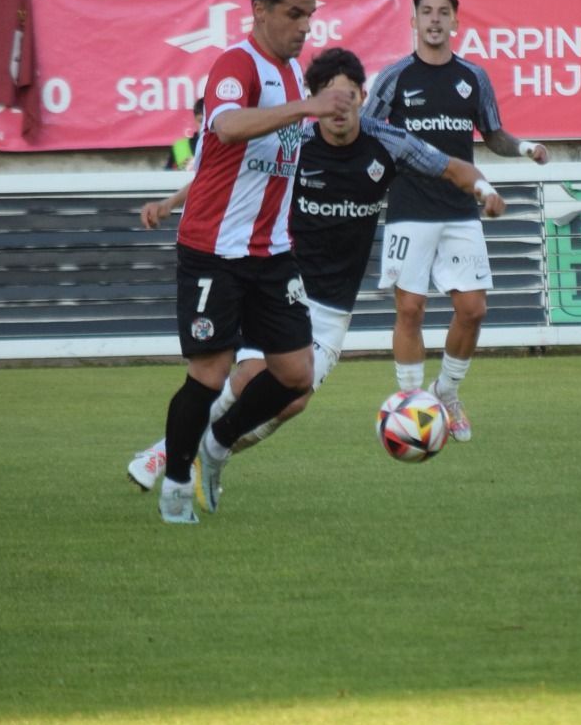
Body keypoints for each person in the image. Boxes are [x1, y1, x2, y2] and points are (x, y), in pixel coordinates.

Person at [126, 46, 507, 492]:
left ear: (364, 97)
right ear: (314, 100)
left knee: (292, 401)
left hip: (332, 303)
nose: (339, 109)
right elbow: (229, 174)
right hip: (280, 281)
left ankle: (214, 450)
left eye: (348, 98)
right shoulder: (295, 142)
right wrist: (171, 203)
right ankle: (168, 454)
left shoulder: (387, 142)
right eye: (330, 98)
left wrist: (483, 188)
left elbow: (452, 167)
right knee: (249, 376)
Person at [150, 0, 351, 524]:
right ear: (259, 9)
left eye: (310, 15)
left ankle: (217, 446)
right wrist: (306, 107)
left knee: (296, 376)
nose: (304, 26)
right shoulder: (236, 65)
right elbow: (227, 128)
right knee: (209, 375)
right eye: (294, 13)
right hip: (214, 249)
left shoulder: (289, 75)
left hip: (271, 252)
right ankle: (173, 484)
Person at [363, 0, 551, 443]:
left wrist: (525, 147)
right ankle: (410, 404)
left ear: (455, 21)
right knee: (410, 307)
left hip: (459, 210)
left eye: (442, 12)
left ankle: (446, 392)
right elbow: (367, 130)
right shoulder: (394, 78)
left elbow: (494, 134)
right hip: (409, 207)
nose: (433, 19)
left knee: (473, 309)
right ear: (413, 20)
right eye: (425, 11)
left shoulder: (473, 76)